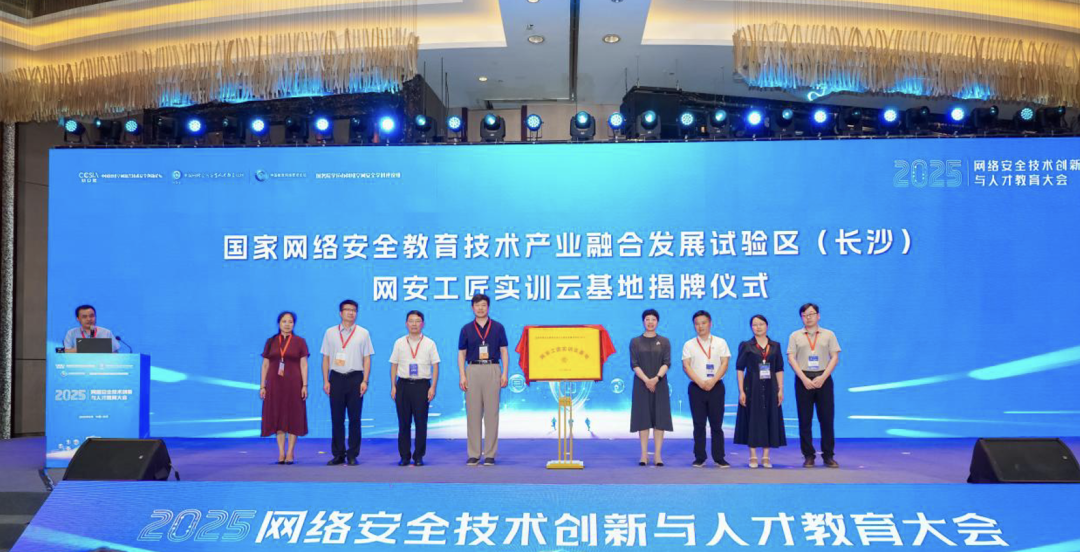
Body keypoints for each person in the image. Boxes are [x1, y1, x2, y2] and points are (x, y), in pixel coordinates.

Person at [787, 303, 842, 468]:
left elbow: (834, 357)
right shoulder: (795, 335)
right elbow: (791, 358)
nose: (808, 317)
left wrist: (823, 377)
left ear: (818, 316)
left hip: (824, 378)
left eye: (811, 314)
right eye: (804, 315)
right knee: (805, 420)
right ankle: (808, 455)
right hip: (803, 378)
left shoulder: (829, 334)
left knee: (827, 419)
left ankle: (828, 455)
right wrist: (804, 378)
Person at [457, 293, 509, 466]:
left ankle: (490, 454)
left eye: (483, 305)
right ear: (472, 308)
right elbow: (461, 353)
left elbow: (504, 351)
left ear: (488, 307)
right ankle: (473, 453)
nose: (480, 308)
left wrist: (504, 373)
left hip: (492, 368)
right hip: (473, 370)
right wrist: (462, 375)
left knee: (492, 414)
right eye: (477, 305)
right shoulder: (466, 329)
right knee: (473, 414)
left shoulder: (498, 327)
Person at [321, 299, 374, 466]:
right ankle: (338, 454)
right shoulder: (330, 332)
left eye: (354, 310)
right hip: (336, 377)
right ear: (340, 313)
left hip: (355, 378)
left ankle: (352, 454)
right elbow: (326, 358)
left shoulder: (363, 333)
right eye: (347, 310)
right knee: (336, 418)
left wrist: (365, 380)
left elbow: (367, 359)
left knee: (355, 418)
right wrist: (326, 380)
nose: (351, 313)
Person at [733, 314, 786, 468]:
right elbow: (739, 369)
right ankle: (753, 456)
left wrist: (780, 389)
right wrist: (741, 391)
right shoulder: (746, 345)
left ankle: (766, 456)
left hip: (771, 387)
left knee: (770, 418)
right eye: (755, 325)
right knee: (753, 419)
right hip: (752, 387)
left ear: (767, 326)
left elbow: (779, 369)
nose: (758, 327)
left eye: (761, 324)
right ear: (751, 327)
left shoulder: (775, 346)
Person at [681, 310, 731, 468]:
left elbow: (725, 363)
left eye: (703, 323)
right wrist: (700, 382)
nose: (700, 326)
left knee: (717, 424)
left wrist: (713, 381)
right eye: (697, 324)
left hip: (716, 387)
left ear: (710, 324)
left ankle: (719, 457)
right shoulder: (689, 344)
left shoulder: (720, 342)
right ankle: (700, 457)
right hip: (696, 388)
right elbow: (686, 366)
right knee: (698, 424)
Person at [389, 310, 440, 467]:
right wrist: (393, 386)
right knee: (403, 423)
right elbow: (394, 365)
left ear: (422, 324)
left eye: (417, 321)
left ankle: (418, 456)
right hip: (403, 385)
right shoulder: (399, 342)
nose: (414, 324)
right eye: (411, 321)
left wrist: (433, 387)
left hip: (422, 386)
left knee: (421, 423)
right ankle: (404, 456)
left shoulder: (429, 343)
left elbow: (435, 366)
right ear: (406, 323)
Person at [259, 311, 309, 464]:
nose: (287, 324)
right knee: (277, 416)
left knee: (294, 417)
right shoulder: (271, 341)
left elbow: (304, 364)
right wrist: (262, 386)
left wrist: (304, 385)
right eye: (284, 321)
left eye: (290, 322)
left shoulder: (300, 341)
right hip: (275, 385)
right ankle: (281, 453)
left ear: (294, 324)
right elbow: (265, 364)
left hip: (294, 384)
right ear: (279, 323)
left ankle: (290, 452)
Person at [630, 309, 673, 466]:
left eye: (653, 319)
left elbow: (666, 363)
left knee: (659, 419)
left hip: (659, 384)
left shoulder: (664, 341)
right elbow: (634, 364)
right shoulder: (635, 342)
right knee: (643, 419)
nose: (650, 322)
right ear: (643, 322)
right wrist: (647, 380)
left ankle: (657, 456)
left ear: (657, 322)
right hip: (641, 385)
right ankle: (643, 455)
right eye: (647, 319)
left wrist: (656, 379)